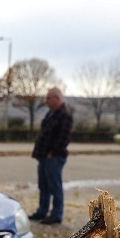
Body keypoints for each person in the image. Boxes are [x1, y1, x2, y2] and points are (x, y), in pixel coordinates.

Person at [28, 87, 73, 225]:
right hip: (44, 157)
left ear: (57, 98)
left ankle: (56, 214)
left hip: (54, 157)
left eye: (48, 98)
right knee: (43, 186)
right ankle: (42, 211)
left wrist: (52, 153)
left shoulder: (64, 115)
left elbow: (64, 138)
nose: (46, 101)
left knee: (54, 186)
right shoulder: (51, 114)